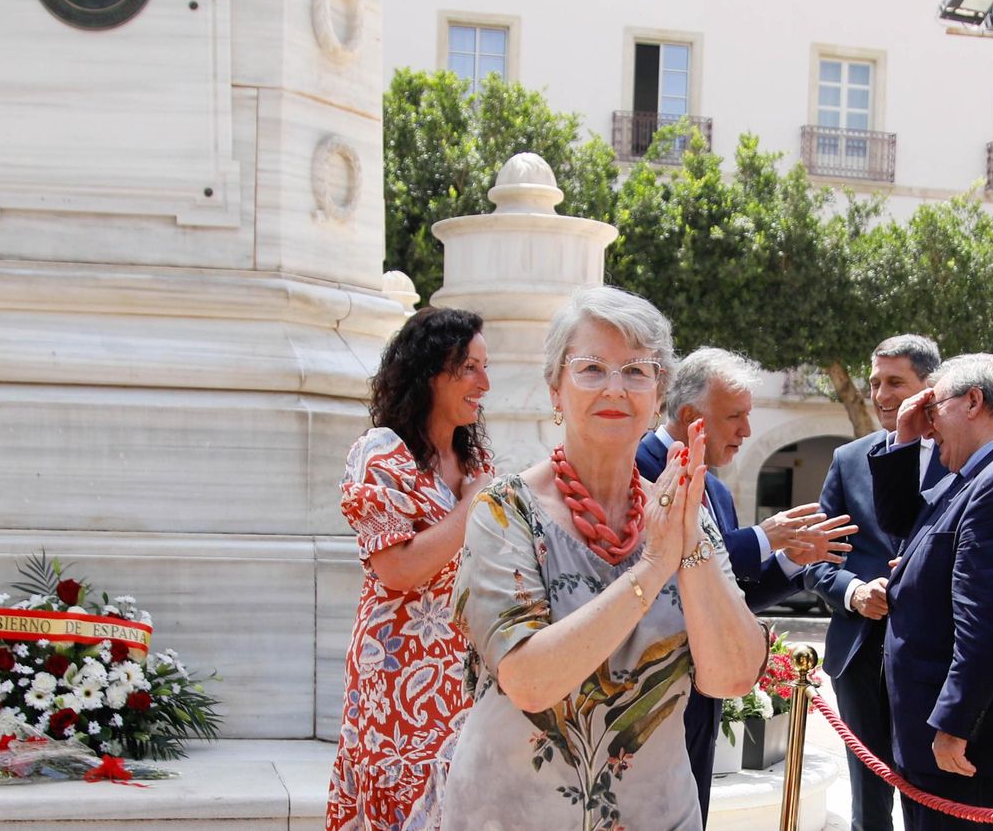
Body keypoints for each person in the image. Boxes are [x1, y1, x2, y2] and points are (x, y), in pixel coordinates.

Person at [443, 287, 767, 830]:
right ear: (556, 389)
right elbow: (529, 680)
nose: (615, 388)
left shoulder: (684, 516)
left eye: (636, 371)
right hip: (514, 816)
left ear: (658, 394)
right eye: (591, 368)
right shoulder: (504, 511)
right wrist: (653, 567)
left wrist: (688, 544)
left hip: (659, 816)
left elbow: (731, 677)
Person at [638, 346, 855, 823]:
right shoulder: (636, 467)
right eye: (734, 416)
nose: (747, 431)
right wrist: (763, 536)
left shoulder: (716, 490)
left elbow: (732, 593)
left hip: (704, 696)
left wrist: (791, 560)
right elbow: (666, 567)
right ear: (691, 417)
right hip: (646, 695)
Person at [869, 353, 993, 831]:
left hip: (963, 741)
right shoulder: (977, 476)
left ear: (973, 401)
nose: (929, 424)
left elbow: (988, 624)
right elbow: (902, 524)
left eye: (934, 409)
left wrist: (955, 724)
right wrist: (905, 440)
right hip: (936, 731)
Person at [326, 306, 495, 831]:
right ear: (429, 372)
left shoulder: (475, 463)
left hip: (465, 672)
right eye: (469, 368)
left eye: (485, 368)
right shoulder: (381, 452)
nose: (484, 384)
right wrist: (471, 508)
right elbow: (396, 569)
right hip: (399, 673)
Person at [806, 334, 947, 831]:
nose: (881, 395)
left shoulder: (962, 459)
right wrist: (854, 592)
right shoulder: (849, 460)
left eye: (895, 383)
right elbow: (815, 559)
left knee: (932, 796)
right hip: (860, 653)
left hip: (936, 657)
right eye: (874, 383)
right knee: (868, 801)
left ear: (929, 388)